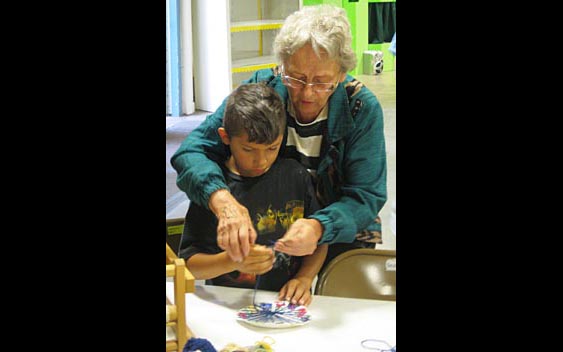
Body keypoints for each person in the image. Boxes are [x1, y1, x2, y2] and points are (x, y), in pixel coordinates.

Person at [171, 4, 387, 273]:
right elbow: (192, 151)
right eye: (296, 78)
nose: (307, 94)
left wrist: (319, 226)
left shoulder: (360, 108)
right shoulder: (263, 88)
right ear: (281, 66)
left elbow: (365, 196)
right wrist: (223, 201)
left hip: (338, 235)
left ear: (341, 75)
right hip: (270, 233)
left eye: (322, 82)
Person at [178, 82, 328, 306]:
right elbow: (190, 265)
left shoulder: (296, 176)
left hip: (286, 304)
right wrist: (232, 261)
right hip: (227, 306)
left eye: (272, 148)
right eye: (248, 150)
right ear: (225, 137)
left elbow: (320, 241)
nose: (262, 161)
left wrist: (304, 278)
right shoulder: (214, 191)